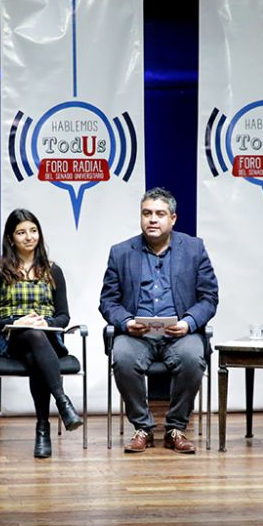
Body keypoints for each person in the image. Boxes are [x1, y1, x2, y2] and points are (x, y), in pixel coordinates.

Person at [99, 187, 218, 454]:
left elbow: (209, 297)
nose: (152, 219)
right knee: (123, 357)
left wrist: (188, 322)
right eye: (147, 213)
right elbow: (107, 300)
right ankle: (142, 427)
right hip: (136, 335)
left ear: (172, 219)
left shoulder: (194, 249)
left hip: (180, 334)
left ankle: (175, 428)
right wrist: (127, 322)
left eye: (160, 214)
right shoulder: (121, 252)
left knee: (192, 358)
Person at [0, 208, 83, 459]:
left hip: (46, 337)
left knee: (35, 346)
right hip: (12, 339)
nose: (29, 237)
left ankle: (43, 429)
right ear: (10, 239)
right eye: (21, 232)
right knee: (30, 337)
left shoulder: (52, 270)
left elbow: (64, 316)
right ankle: (60, 405)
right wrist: (19, 321)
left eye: (33, 230)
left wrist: (43, 321)